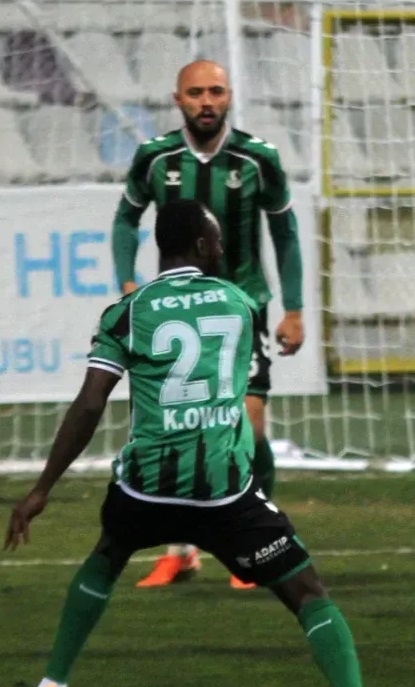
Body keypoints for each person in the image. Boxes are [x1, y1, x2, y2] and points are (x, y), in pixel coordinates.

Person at [6, 200, 409, 687]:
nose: (221, 247)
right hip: (223, 495)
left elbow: (90, 403)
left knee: (106, 556)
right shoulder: (239, 303)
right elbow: (243, 396)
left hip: (146, 490)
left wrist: (42, 489)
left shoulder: (126, 312)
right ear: (202, 246)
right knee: (308, 591)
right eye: (216, 239)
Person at [111, 59, 304, 590]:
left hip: (243, 309)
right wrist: (127, 283)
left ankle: (258, 547)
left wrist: (293, 308)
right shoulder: (155, 157)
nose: (206, 102)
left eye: (215, 91)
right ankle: (180, 553)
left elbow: (285, 232)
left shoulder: (259, 157)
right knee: (175, 433)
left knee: (250, 429)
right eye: (195, 92)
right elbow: (125, 219)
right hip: (176, 314)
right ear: (178, 99)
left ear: (229, 96)